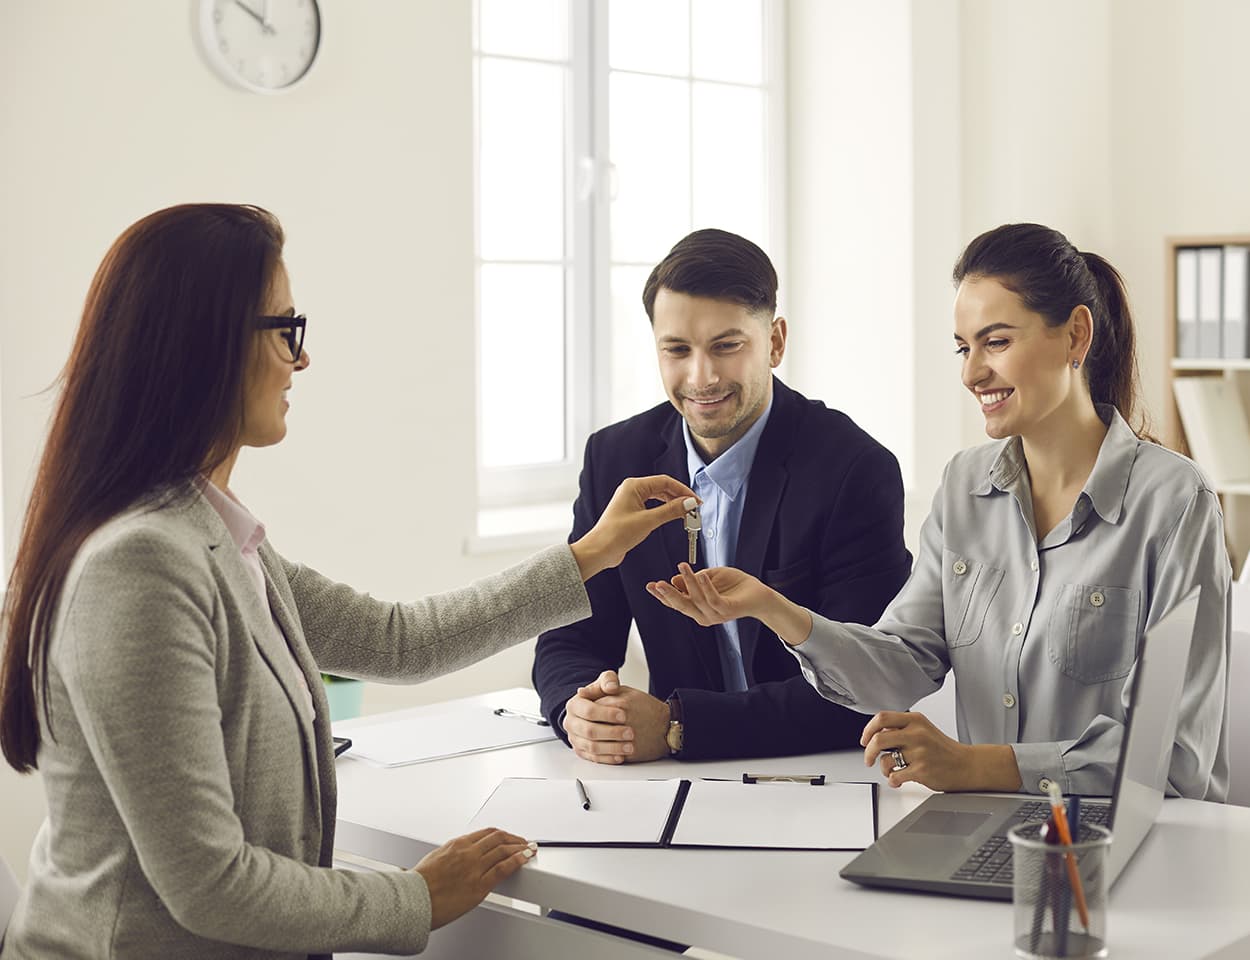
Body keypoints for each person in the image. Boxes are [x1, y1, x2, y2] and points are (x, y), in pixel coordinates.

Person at [0, 203, 697, 960]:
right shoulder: (138, 565)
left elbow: (399, 643)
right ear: (208, 347)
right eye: (286, 330)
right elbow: (207, 883)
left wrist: (592, 552)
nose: (302, 361)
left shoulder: (217, 537)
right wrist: (418, 898)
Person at [650, 222, 1230, 801]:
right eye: (963, 346)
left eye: (996, 342)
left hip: (1128, 852)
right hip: (982, 834)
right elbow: (899, 665)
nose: (972, 372)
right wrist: (771, 608)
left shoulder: (1174, 503)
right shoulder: (965, 486)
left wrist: (976, 766)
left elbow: (1175, 760)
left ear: (1076, 335)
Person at [532, 228, 912, 764]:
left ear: (775, 342)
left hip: (819, 776)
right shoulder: (615, 460)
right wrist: (582, 712)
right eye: (677, 350)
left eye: (726, 346)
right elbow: (570, 639)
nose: (701, 377)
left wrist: (677, 727)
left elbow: (867, 688)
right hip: (667, 783)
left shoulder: (854, 469)